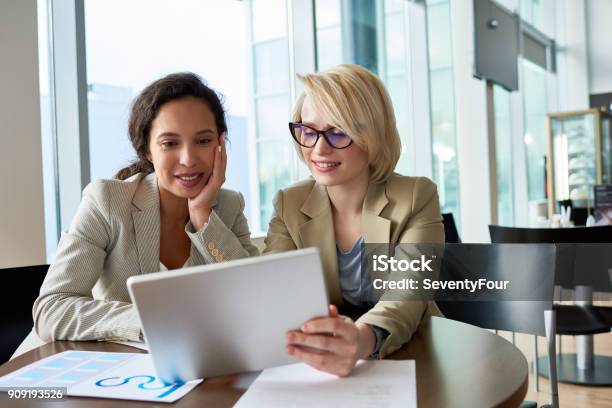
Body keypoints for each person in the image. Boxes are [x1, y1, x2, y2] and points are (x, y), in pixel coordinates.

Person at [33, 72, 259, 343]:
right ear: (147, 150)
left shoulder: (229, 206)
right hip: (123, 372)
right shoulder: (107, 202)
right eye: (170, 143)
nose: (188, 159)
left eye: (203, 141)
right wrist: (151, 320)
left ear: (220, 145)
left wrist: (203, 217)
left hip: (210, 369)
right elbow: (51, 309)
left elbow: (256, 300)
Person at [264, 64, 444, 376]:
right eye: (308, 130)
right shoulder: (288, 204)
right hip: (320, 364)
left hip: (412, 353)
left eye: (338, 132)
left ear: (374, 136)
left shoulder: (416, 196)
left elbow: (408, 294)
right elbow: (273, 290)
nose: (319, 148)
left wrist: (361, 340)